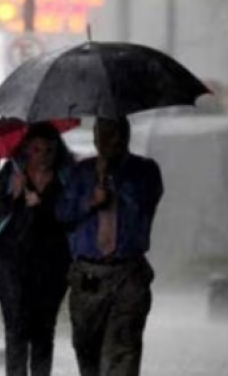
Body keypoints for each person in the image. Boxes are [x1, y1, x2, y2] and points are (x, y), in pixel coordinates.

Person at [56, 117, 164, 376]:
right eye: (103, 134)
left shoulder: (145, 170)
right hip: (88, 274)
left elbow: (145, 202)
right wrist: (90, 201)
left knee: (123, 349)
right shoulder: (80, 173)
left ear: (126, 136)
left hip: (128, 272)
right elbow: (62, 214)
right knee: (86, 347)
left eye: (116, 133)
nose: (110, 140)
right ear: (95, 138)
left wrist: (113, 181)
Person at [0, 121, 74, 376]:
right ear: (26, 150)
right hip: (12, 265)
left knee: (44, 330)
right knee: (16, 328)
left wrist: (43, 205)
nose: (42, 157)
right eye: (36, 150)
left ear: (58, 151)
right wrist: (12, 197)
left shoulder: (68, 178)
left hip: (53, 266)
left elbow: (73, 218)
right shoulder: (10, 175)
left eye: (49, 151)